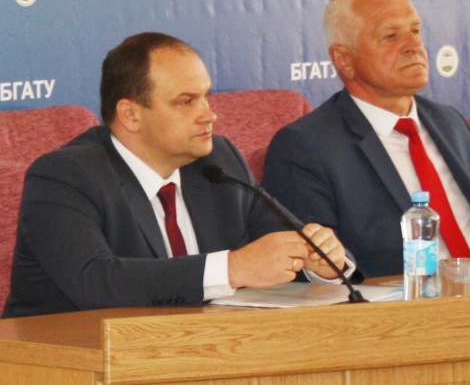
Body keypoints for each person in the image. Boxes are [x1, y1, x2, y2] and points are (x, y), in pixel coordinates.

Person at [3, 32, 350, 318]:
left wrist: (317, 260)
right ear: (131, 115)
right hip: (70, 360)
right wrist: (231, 268)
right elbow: (96, 282)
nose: (209, 115)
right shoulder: (64, 176)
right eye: (186, 102)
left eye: (206, 97)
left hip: (194, 353)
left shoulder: (218, 161)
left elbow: (285, 244)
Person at [264, 0, 470, 278]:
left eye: (415, 31)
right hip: (403, 303)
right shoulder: (306, 147)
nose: (413, 46)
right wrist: (449, 278)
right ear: (344, 60)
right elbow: (318, 274)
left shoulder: (450, 123)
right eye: (390, 36)